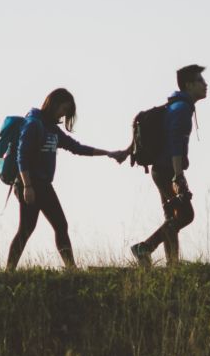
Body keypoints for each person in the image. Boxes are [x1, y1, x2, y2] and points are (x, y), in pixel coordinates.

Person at [8, 88, 127, 271]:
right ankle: (11, 271)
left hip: (43, 184)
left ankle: (71, 269)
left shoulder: (51, 129)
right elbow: (21, 156)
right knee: (31, 229)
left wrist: (108, 153)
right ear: (54, 104)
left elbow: (76, 148)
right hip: (30, 183)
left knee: (54, 226)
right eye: (64, 109)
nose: (64, 115)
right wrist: (27, 186)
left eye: (67, 111)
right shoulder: (33, 124)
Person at [130, 64, 208, 267]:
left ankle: (172, 264)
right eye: (201, 81)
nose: (205, 84)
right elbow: (175, 143)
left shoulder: (176, 106)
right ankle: (144, 247)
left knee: (172, 217)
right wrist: (178, 176)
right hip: (167, 170)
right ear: (189, 85)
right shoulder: (181, 109)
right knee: (185, 215)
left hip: (161, 169)